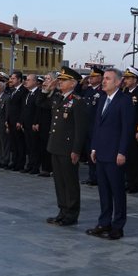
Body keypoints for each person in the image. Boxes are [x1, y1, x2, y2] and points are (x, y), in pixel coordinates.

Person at [87, 69, 134, 239]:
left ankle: (118, 226)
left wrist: (122, 151)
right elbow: (97, 126)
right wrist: (94, 148)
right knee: (104, 191)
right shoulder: (103, 100)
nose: (104, 81)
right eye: (104, 78)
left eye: (108, 79)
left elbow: (127, 129)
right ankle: (104, 222)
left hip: (115, 154)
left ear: (118, 82)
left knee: (117, 191)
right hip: (101, 153)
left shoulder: (124, 101)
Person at [46, 68, 90, 227]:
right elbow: (41, 103)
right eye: (60, 80)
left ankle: (71, 214)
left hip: (68, 147)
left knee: (69, 182)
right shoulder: (58, 98)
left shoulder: (78, 101)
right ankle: (62, 211)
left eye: (63, 80)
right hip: (55, 146)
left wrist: (76, 150)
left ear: (72, 83)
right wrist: (47, 89)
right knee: (59, 181)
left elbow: (81, 129)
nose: (60, 82)